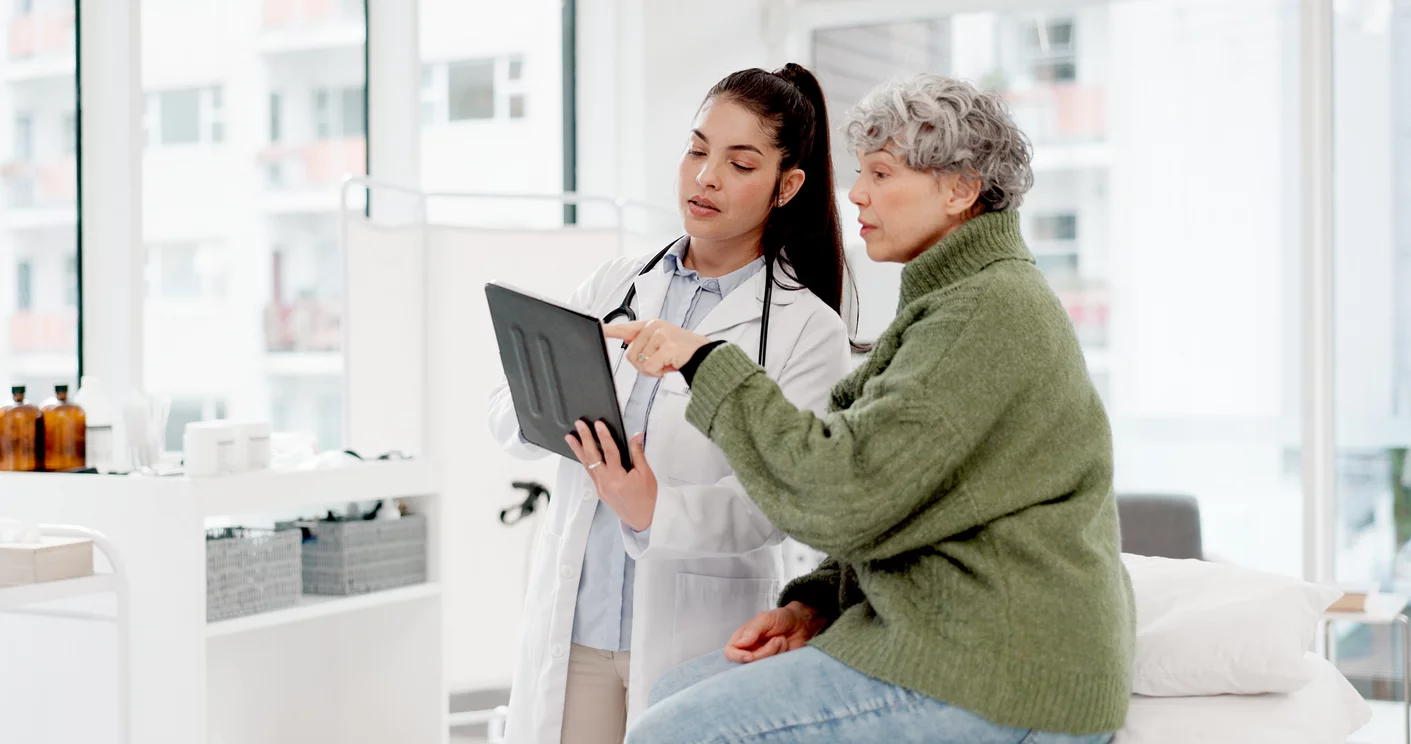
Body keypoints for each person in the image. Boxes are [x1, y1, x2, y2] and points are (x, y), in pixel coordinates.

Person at [605, 74, 1135, 744]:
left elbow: (839, 493)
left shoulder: (984, 314)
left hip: (1003, 669)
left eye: (881, 174)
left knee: (672, 733)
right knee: (674, 693)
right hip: (956, 643)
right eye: (860, 172)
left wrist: (704, 363)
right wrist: (815, 601)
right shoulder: (955, 303)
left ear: (960, 189)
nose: (855, 193)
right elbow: (902, 496)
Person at [487, 63, 854, 744]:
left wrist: (651, 508)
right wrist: (558, 378)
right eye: (696, 150)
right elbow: (506, 418)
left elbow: (778, 502)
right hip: (575, 630)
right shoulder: (617, 283)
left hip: (696, 629)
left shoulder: (808, 331)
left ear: (787, 185)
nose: (705, 176)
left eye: (739, 163)